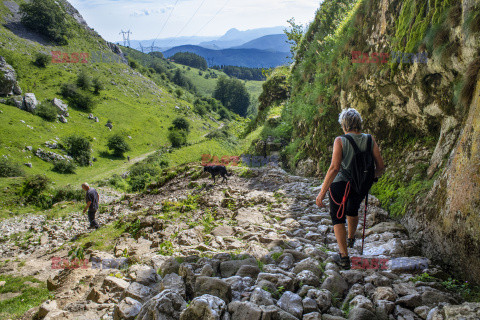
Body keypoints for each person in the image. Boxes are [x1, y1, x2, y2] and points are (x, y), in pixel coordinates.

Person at [316, 108, 384, 269]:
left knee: (337, 216)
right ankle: (351, 238)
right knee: (352, 210)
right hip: (361, 184)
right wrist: (371, 178)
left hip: (340, 183)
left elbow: (334, 167)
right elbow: (380, 166)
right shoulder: (370, 140)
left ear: (344, 125)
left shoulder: (340, 140)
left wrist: (322, 192)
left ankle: (344, 257)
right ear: (359, 123)